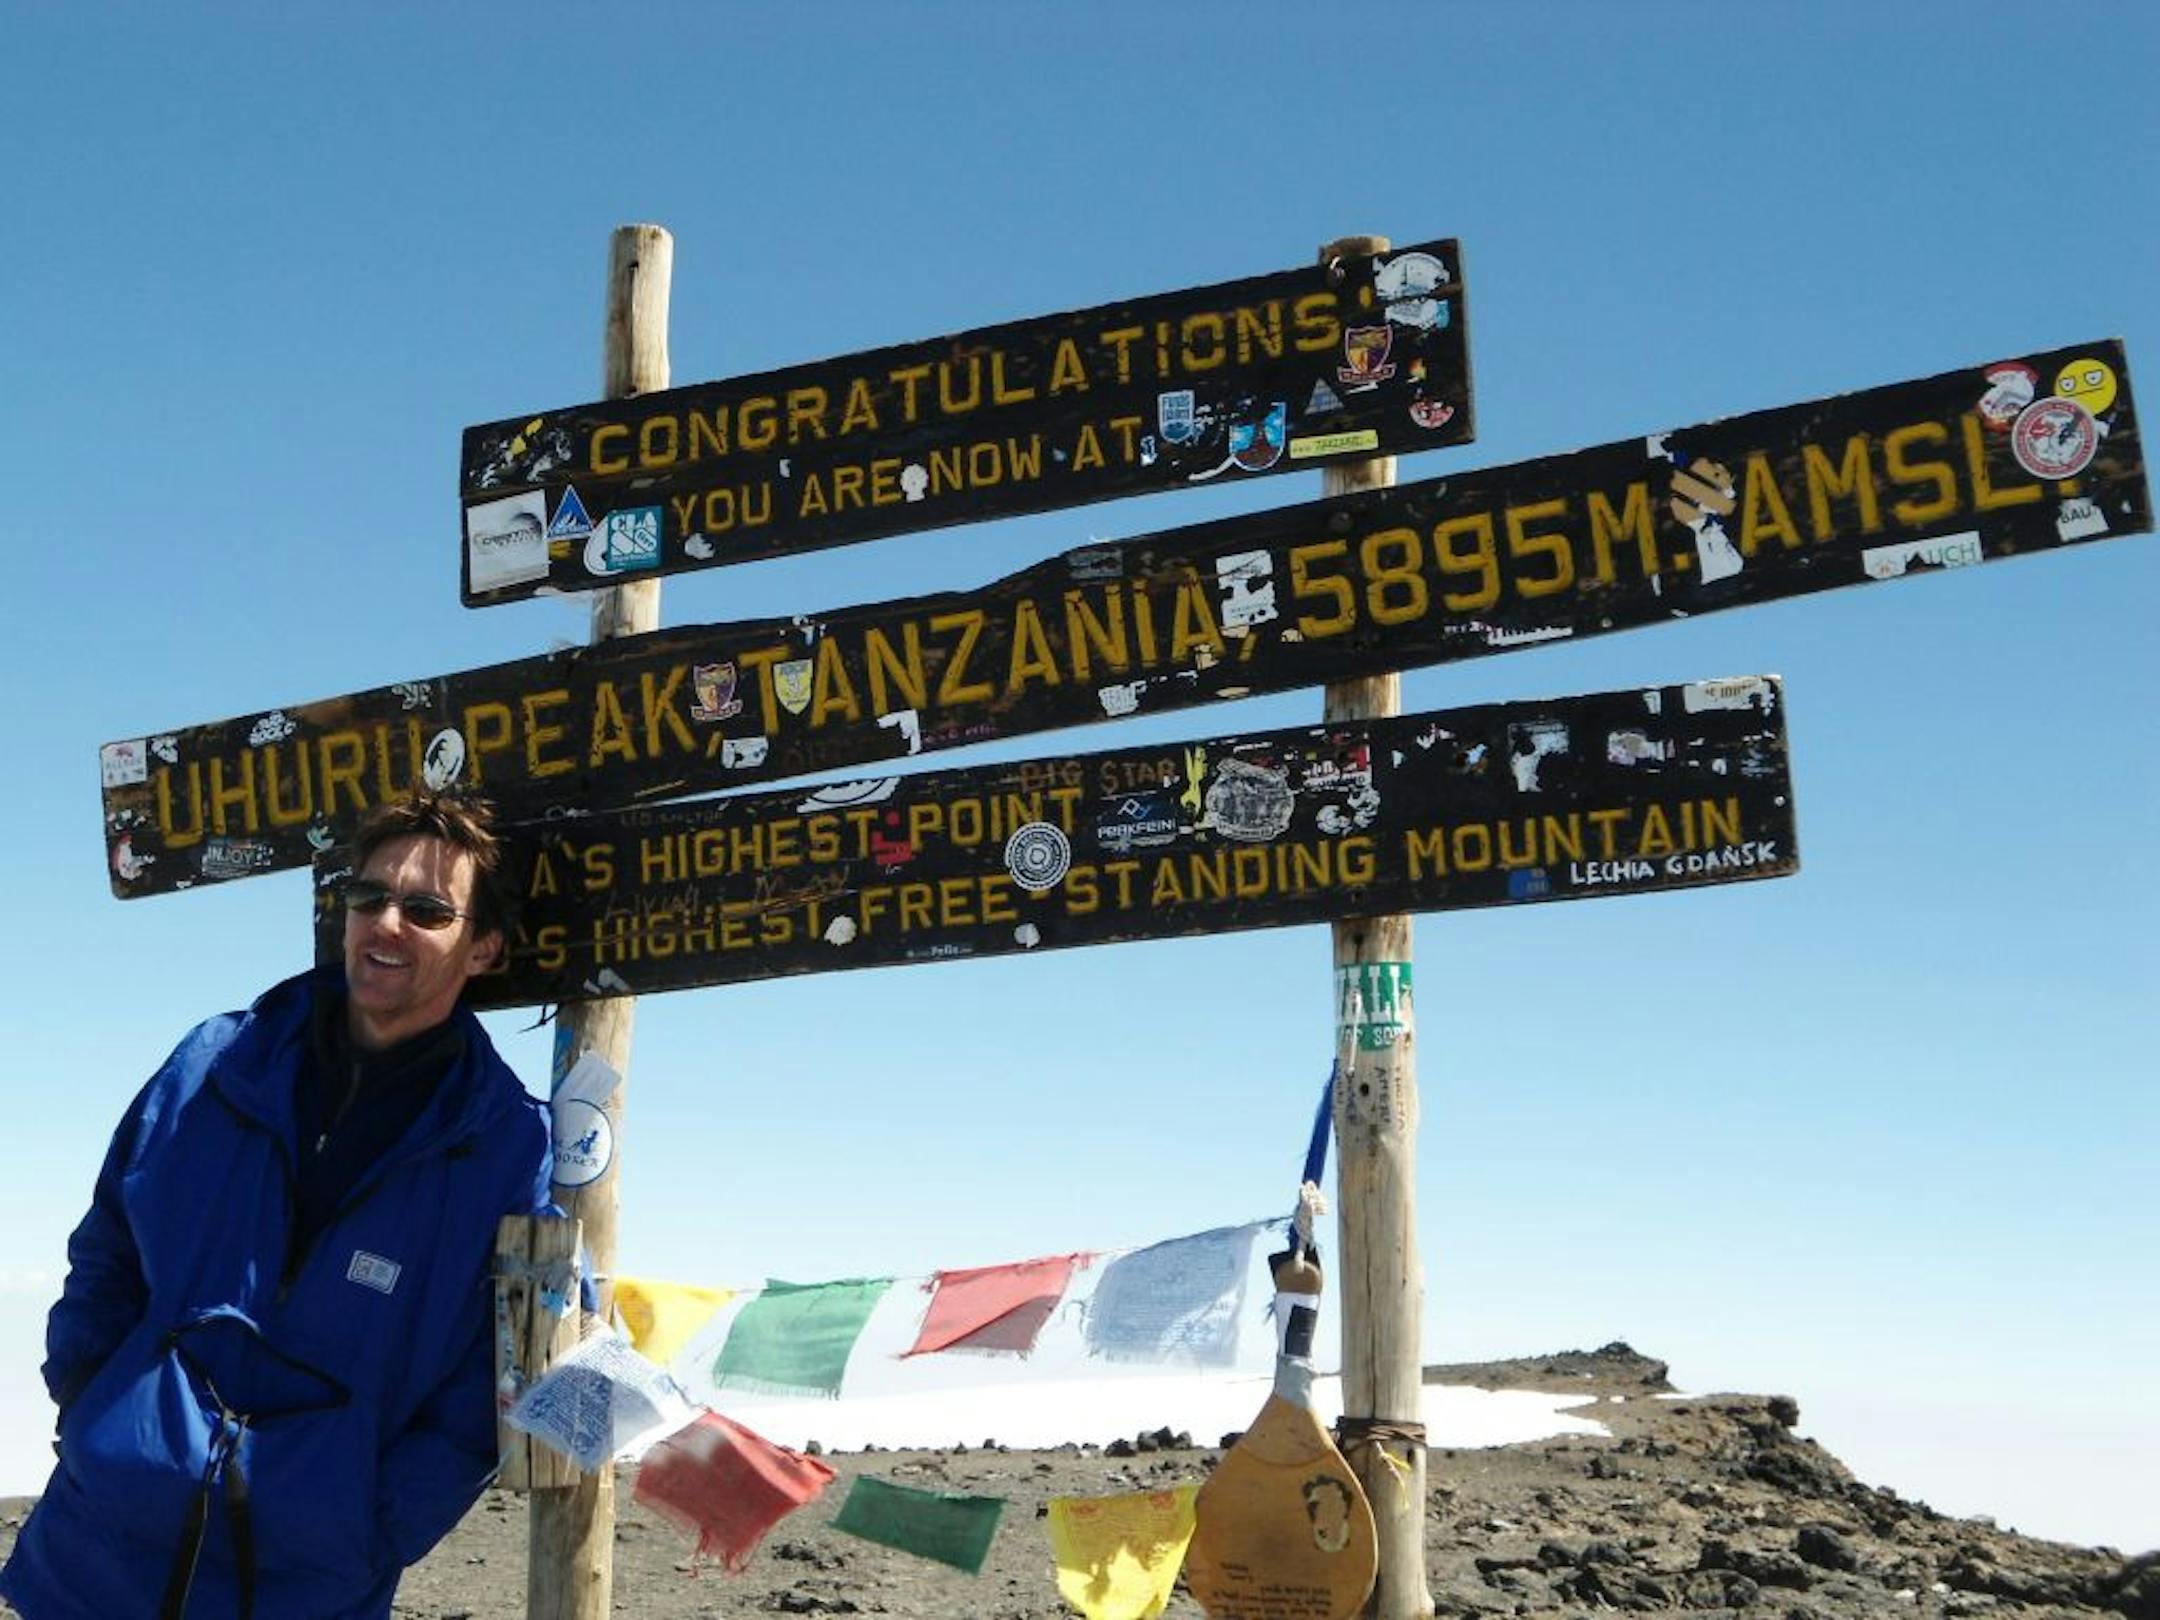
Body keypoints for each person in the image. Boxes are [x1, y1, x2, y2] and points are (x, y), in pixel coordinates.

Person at [1, 791, 556, 1620]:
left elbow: (495, 1376)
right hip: (96, 1564)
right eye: (369, 897)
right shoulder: (217, 1064)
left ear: (482, 948)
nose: (387, 922)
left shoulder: (505, 1146)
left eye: (427, 909)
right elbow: (109, 1245)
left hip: (304, 1587)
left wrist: (376, 1525)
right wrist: (91, 1405)